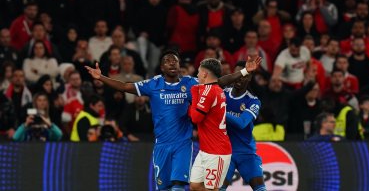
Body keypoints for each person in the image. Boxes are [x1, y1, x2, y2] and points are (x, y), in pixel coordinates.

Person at [85, 50, 260, 191]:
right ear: (161, 67)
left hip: (182, 143)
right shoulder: (153, 84)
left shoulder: (190, 83)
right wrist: (101, 77)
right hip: (161, 144)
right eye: (168, 61)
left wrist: (244, 71)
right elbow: (124, 86)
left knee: (178, 185)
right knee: (165, 187)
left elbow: (218, 81)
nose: (172, 63)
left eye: (175, 61)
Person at [220, 61, 265, 191]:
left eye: (244, 74)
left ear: (249, 78)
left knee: (260, 188)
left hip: (246, 152)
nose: (240, 77)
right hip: (225, 152)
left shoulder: (253, 101)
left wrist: (220, 110)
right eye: (237, 74)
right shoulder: (222, 93)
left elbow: (242, 123)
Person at [188, 58, 231, 191]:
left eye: (199, 72)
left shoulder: (208, 91)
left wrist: (195, 94)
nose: (197, 75)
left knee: (211, 189)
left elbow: (195, 118)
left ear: (205, 74)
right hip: (206, 149)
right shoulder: (217, 89)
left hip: (217, 151)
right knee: (195, 186)